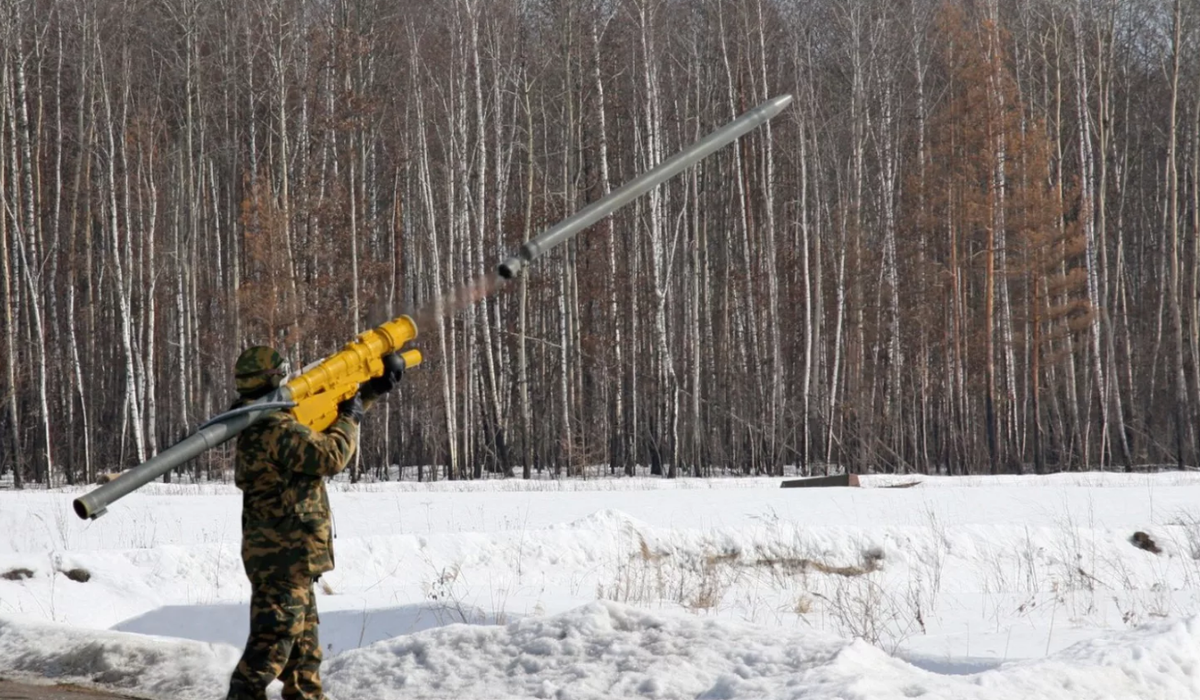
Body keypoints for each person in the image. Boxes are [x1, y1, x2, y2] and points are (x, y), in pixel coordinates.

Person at [225, 345, 401, 700]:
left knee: (304, 650)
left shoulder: (265, 419)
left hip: (289, 554)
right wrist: (352, 417)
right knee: (273, 641)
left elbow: (322, 420)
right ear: (275, 378)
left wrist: (368, 393)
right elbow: (330, 454)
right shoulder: (273, 426)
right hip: (282, 555)